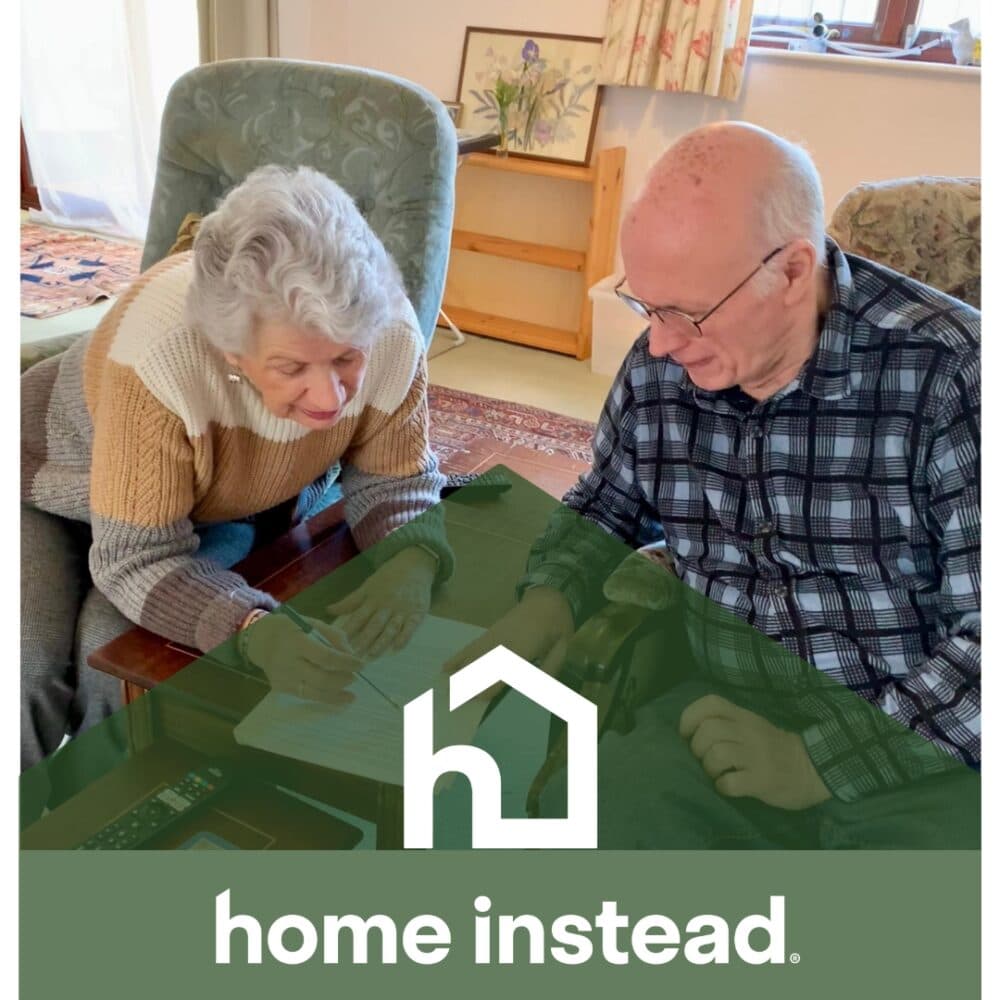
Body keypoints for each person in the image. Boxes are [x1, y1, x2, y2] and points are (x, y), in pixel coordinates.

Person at [448, 122, 980, 847]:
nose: (661, 343)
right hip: (720, 722)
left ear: (793, 272)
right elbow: (607, 503)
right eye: (647, 305)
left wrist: (819, 762)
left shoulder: (953, 376)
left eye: (688, 313)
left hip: (923, 750)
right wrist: (549, 599)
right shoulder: (666, 357)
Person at [21, 164, 452, 771]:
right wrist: (251, 626)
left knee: (108, 656)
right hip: (51, 486)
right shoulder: (161, 356)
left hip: (199, 504)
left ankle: (116, 828)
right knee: (26, 674)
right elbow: (134, 556)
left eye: (346, 358)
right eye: (292, 368)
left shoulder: (387, 329)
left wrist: (412, 559)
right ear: (231, 351)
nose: (330, 399)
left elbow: (395, 474)